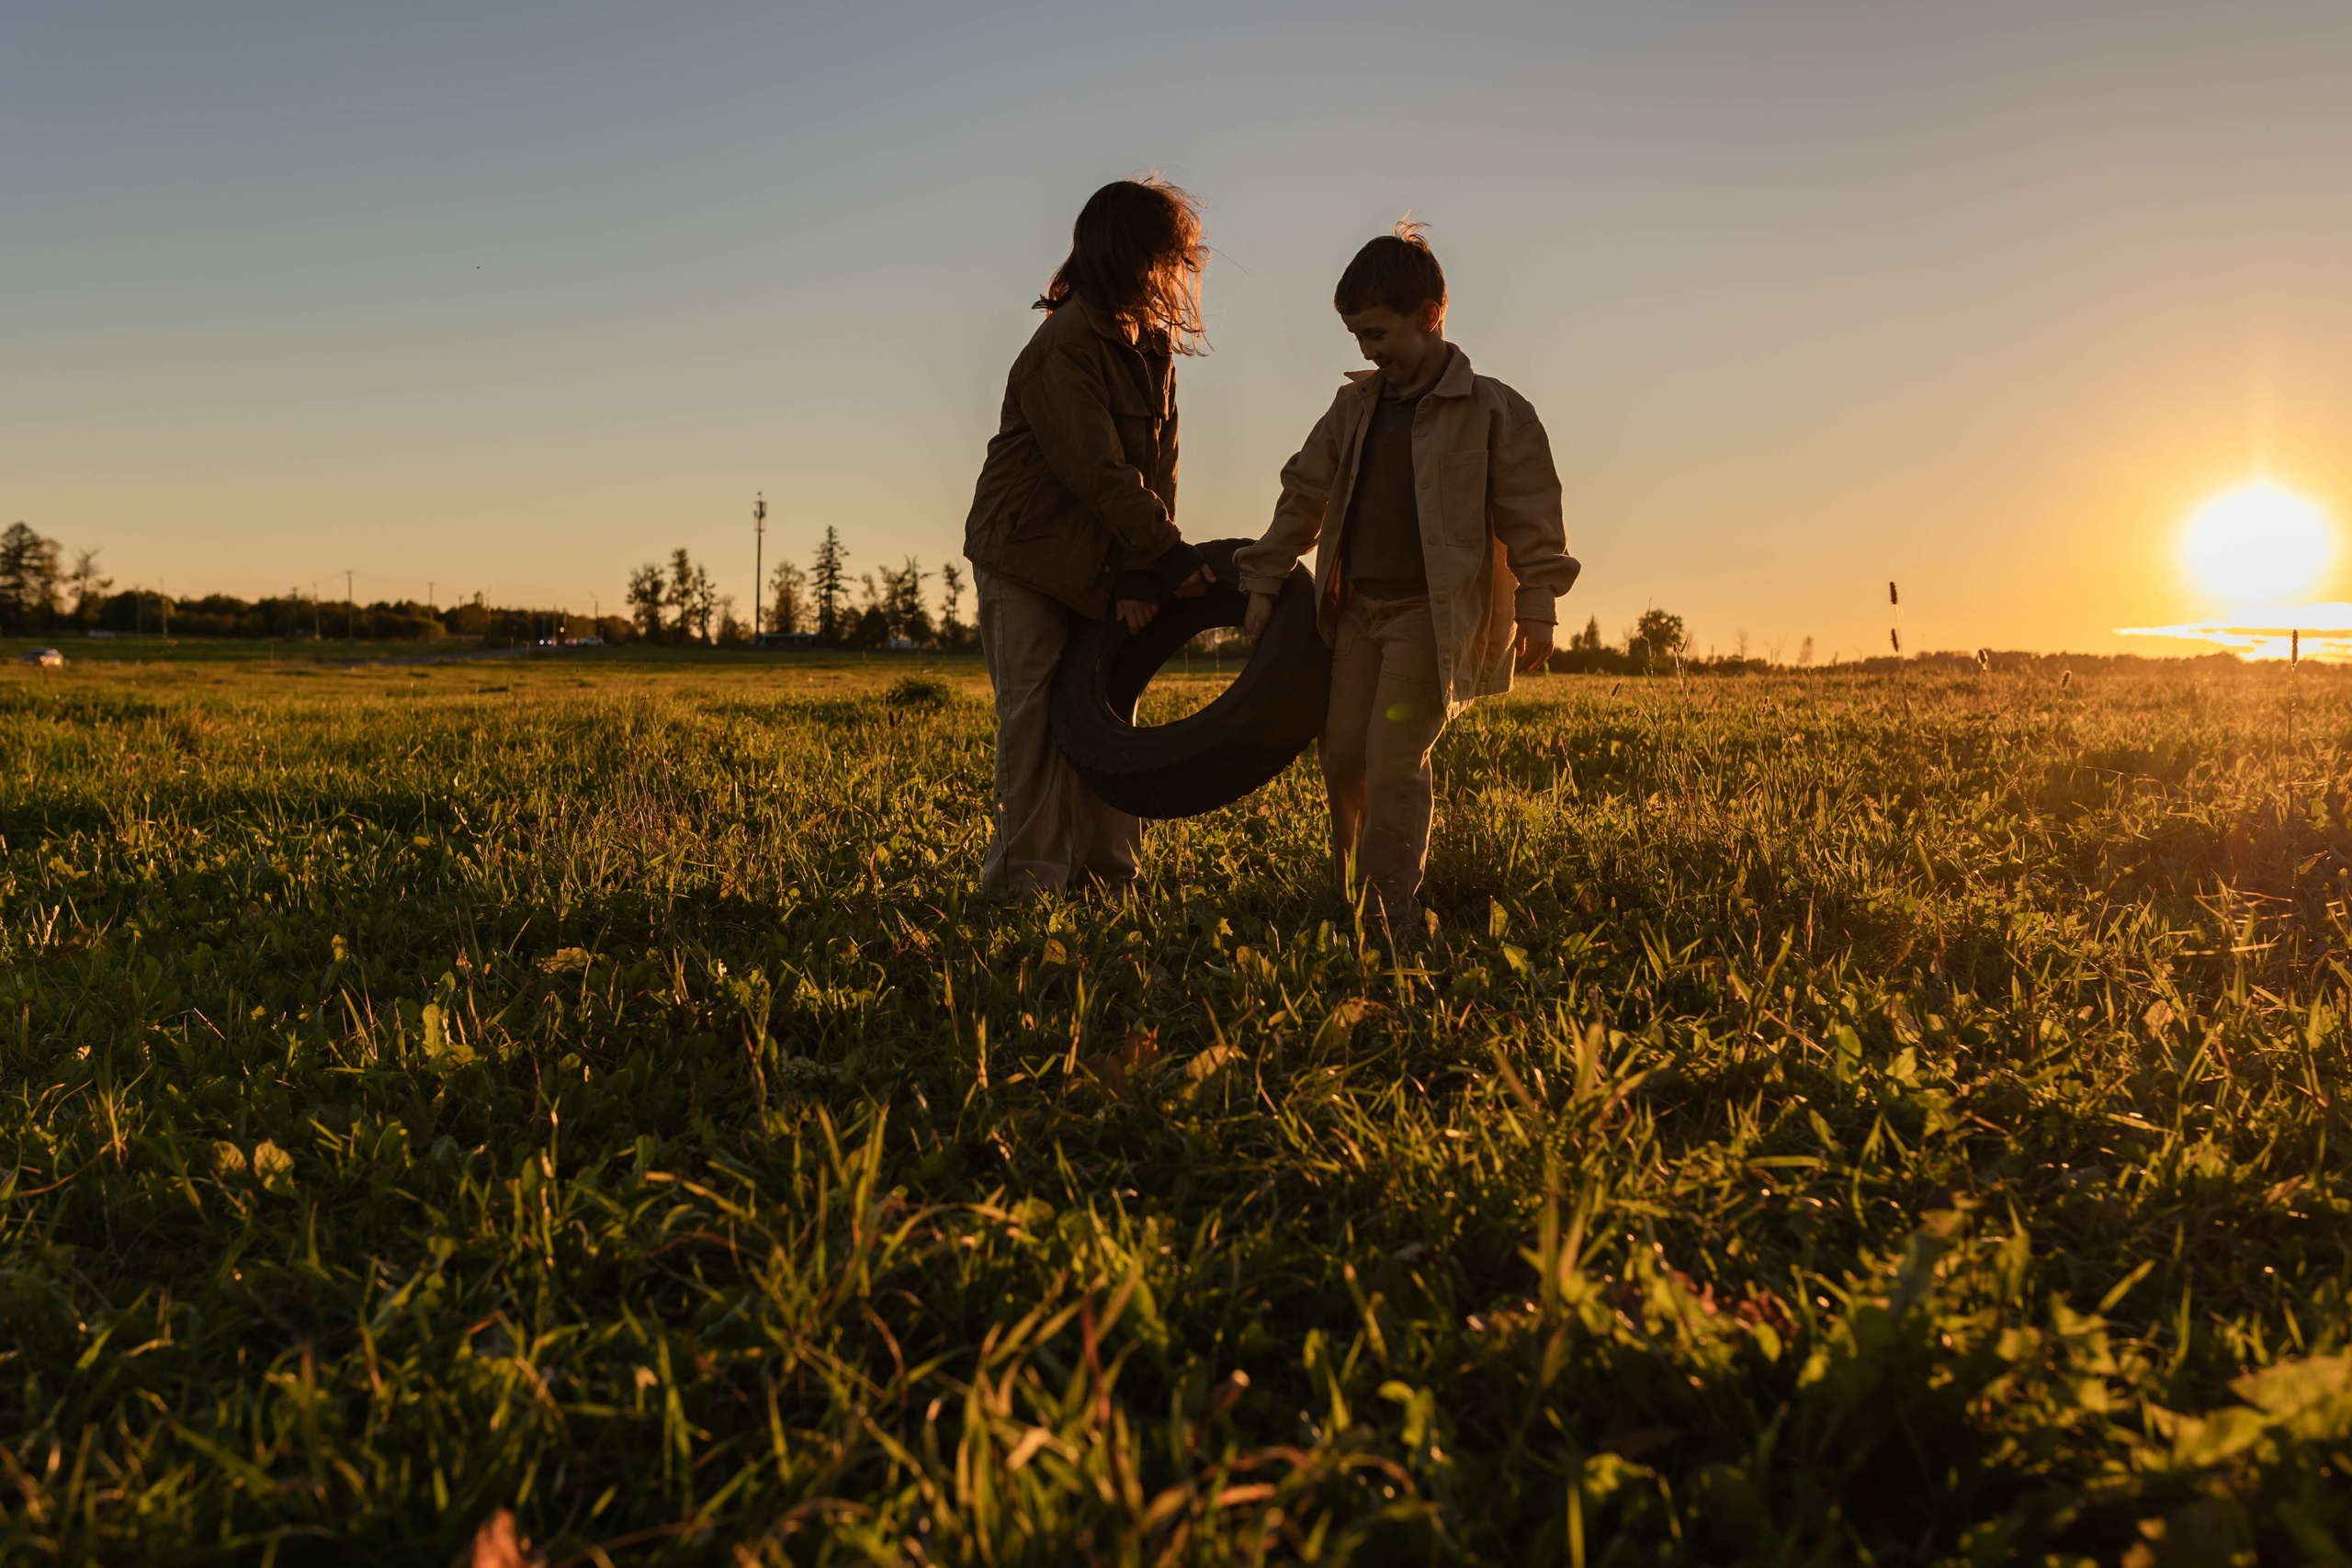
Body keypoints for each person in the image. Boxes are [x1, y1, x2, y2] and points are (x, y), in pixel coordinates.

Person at [1235, 221, 1579, 931]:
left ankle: (1388, 910)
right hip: (1356, 612)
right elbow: (1304, 493)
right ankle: (1347, 895)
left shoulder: (1494, 410)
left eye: (1379, 334)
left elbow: (1530, 512)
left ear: (1429, 317)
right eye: (1358, 337)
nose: (1368, 351)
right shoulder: (1354, 408)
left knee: (1395, 762)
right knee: (1344, 759)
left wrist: (1539, 602)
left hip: (1433, 619)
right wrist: (1264, 578)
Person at [963, 178, 1216, 899]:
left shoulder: (1151, 347)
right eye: (1163, 256)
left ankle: (1108, 879)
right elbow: (1096, 469)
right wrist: (1167, 554)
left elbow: (1157, 470)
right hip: (1027, 557)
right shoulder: (1064, 343)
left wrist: (1145, 569)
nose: (1174, 272)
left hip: (1104, 558)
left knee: (1108, 713)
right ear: (1126, 255)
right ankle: (1025, 888)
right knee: (1038, 720)